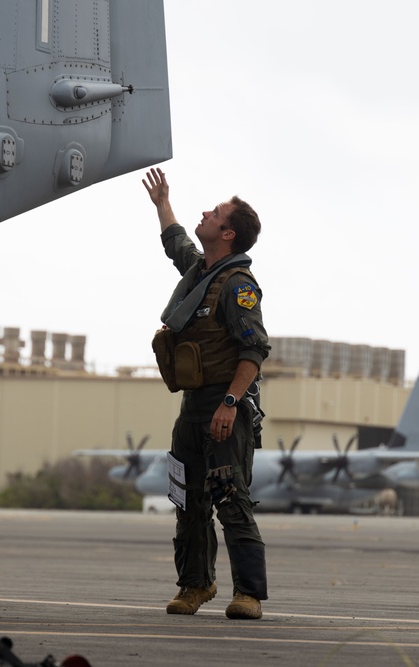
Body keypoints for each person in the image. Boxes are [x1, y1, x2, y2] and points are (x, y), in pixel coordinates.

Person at [142, 167, 271, 620]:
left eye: (215, 213)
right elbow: (177, 244)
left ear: (228, 232)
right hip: (193, 408)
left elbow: (254, 350)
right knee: (187, 500)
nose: (205, 213)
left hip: (224, 406)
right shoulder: (201, 273)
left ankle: (249, 594)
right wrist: (162, 206)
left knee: (230, 498)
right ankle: (195, 584)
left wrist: (231, 404)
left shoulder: (237, 287)